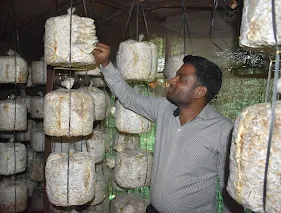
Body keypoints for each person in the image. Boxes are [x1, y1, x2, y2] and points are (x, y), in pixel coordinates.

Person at [92, 43, 243, 213]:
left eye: (182, 79)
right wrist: (106, 64)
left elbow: (230, 190)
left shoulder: (223, 130)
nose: (172, 80)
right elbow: (129, 98)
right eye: (176, 75)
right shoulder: (164, 109)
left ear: (199, 92)